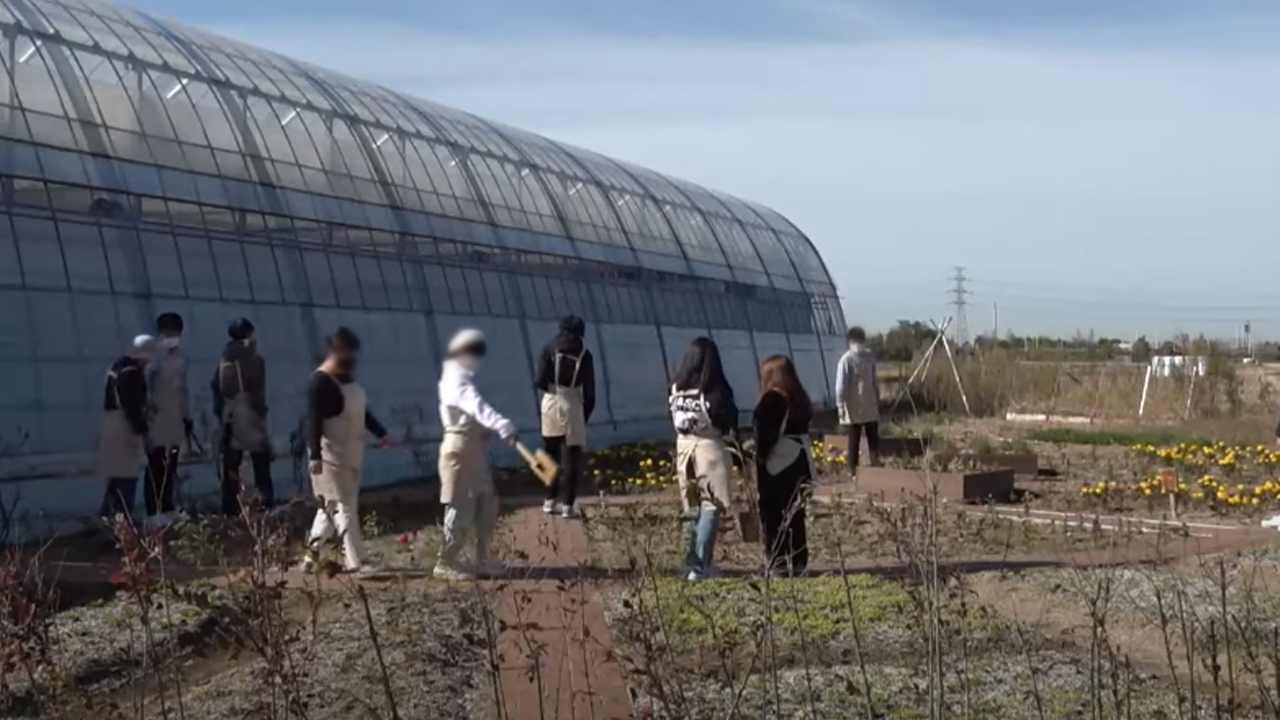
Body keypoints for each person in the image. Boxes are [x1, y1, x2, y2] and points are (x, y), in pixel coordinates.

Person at [300, 328, 392, 574]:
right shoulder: (320, 381)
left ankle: (311, 557)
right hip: (330, 455)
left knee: (328, 508)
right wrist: (316, 456)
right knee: (346, 506)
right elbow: (313, 421)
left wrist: (381, 433)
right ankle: (357, 561)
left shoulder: (346, 378)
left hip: (350, 451)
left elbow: (364, 413)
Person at [435, 329, 518, 581]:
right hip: (459, 452)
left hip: (472, 451)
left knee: (487, 503)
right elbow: (477, 407)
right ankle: (445, 562)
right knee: (461, 505)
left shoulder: (459, 379)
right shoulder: (455, 381)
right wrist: (502, 425)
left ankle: (482, 559)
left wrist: (487, 432)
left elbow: (472, 415)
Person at [669, 337, 738, 582]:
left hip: (684, 449)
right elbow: (728, 419)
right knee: (711, 506)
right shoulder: (714, 392)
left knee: (692, 506)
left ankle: (690, 562)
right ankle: (701, 567)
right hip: (709, 449)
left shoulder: (676, 389)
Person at [753, 355, 815, 575]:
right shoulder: (799, 398)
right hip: (799, 463)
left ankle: (778, 563)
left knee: (773, 517)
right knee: (795, 515)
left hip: (777, 467)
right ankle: (799, 562)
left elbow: (764, 439)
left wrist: (756, 457)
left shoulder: (772, 400)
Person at [535, 315, 596, 519]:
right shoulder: (585, 354)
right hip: (573, 403)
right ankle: (568, 505)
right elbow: (590, 392)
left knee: (550, 454)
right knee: (572, 457)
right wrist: (583, 415)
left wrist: (551, 389)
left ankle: (549, 500)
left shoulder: (548, 348)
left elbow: (539, 379)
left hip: (551, 401)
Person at [213, 317, 274, 515]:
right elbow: (258, 388)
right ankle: (265, 503)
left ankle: (230, 507)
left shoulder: (225, 358)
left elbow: (217, 387)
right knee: (261, 460)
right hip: (250, 411)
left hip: (230, 414)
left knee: (231, 462)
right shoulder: (253, 356)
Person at [97, 335, 154, 519]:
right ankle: (123, 519)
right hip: (124, 426)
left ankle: (106, 517)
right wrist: (145, 434)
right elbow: (133, 407)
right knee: (127, 475)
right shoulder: (132, 373)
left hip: (111, 423)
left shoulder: (116, 368)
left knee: (115, 474)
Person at [143, 312, 190, 528]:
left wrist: (187, 416)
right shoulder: (152, 357)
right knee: (156, 465)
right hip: (157, 420)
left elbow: (183, 390)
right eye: (170, 332)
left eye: (176, 332)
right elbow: (144, 388)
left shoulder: (179, 358)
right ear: (162, 332)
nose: (173, 336)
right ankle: (154, 512)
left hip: (175, 419)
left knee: (170, 466)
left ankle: (168, 507)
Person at [836, 326, 881, 480]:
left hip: (854, 405)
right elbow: (875, 382)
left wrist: (840, 405)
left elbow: (841, 386)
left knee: (854, 439)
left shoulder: (846, 359)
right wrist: (878, 398)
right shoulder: (869, 357)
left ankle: (853, 471)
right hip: (869, 403)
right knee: (872, 437)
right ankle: (874, 464)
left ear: (850, 340)